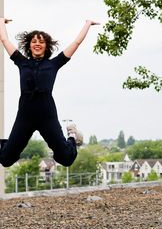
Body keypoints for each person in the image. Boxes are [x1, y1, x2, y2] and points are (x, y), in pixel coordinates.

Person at [0, 18, 99, 167]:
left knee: (66, 158)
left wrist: (87, 24)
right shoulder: (22, 62)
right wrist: (1, 21)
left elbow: (76, 43)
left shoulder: (54, 64)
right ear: (29, 46)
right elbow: (4, 40)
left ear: (46, 46)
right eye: (34, 41)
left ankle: (72, 136)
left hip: (47, 115)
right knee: (6, 159)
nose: (37, 44)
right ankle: (9, 143)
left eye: (41, 41)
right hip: (25, 115)